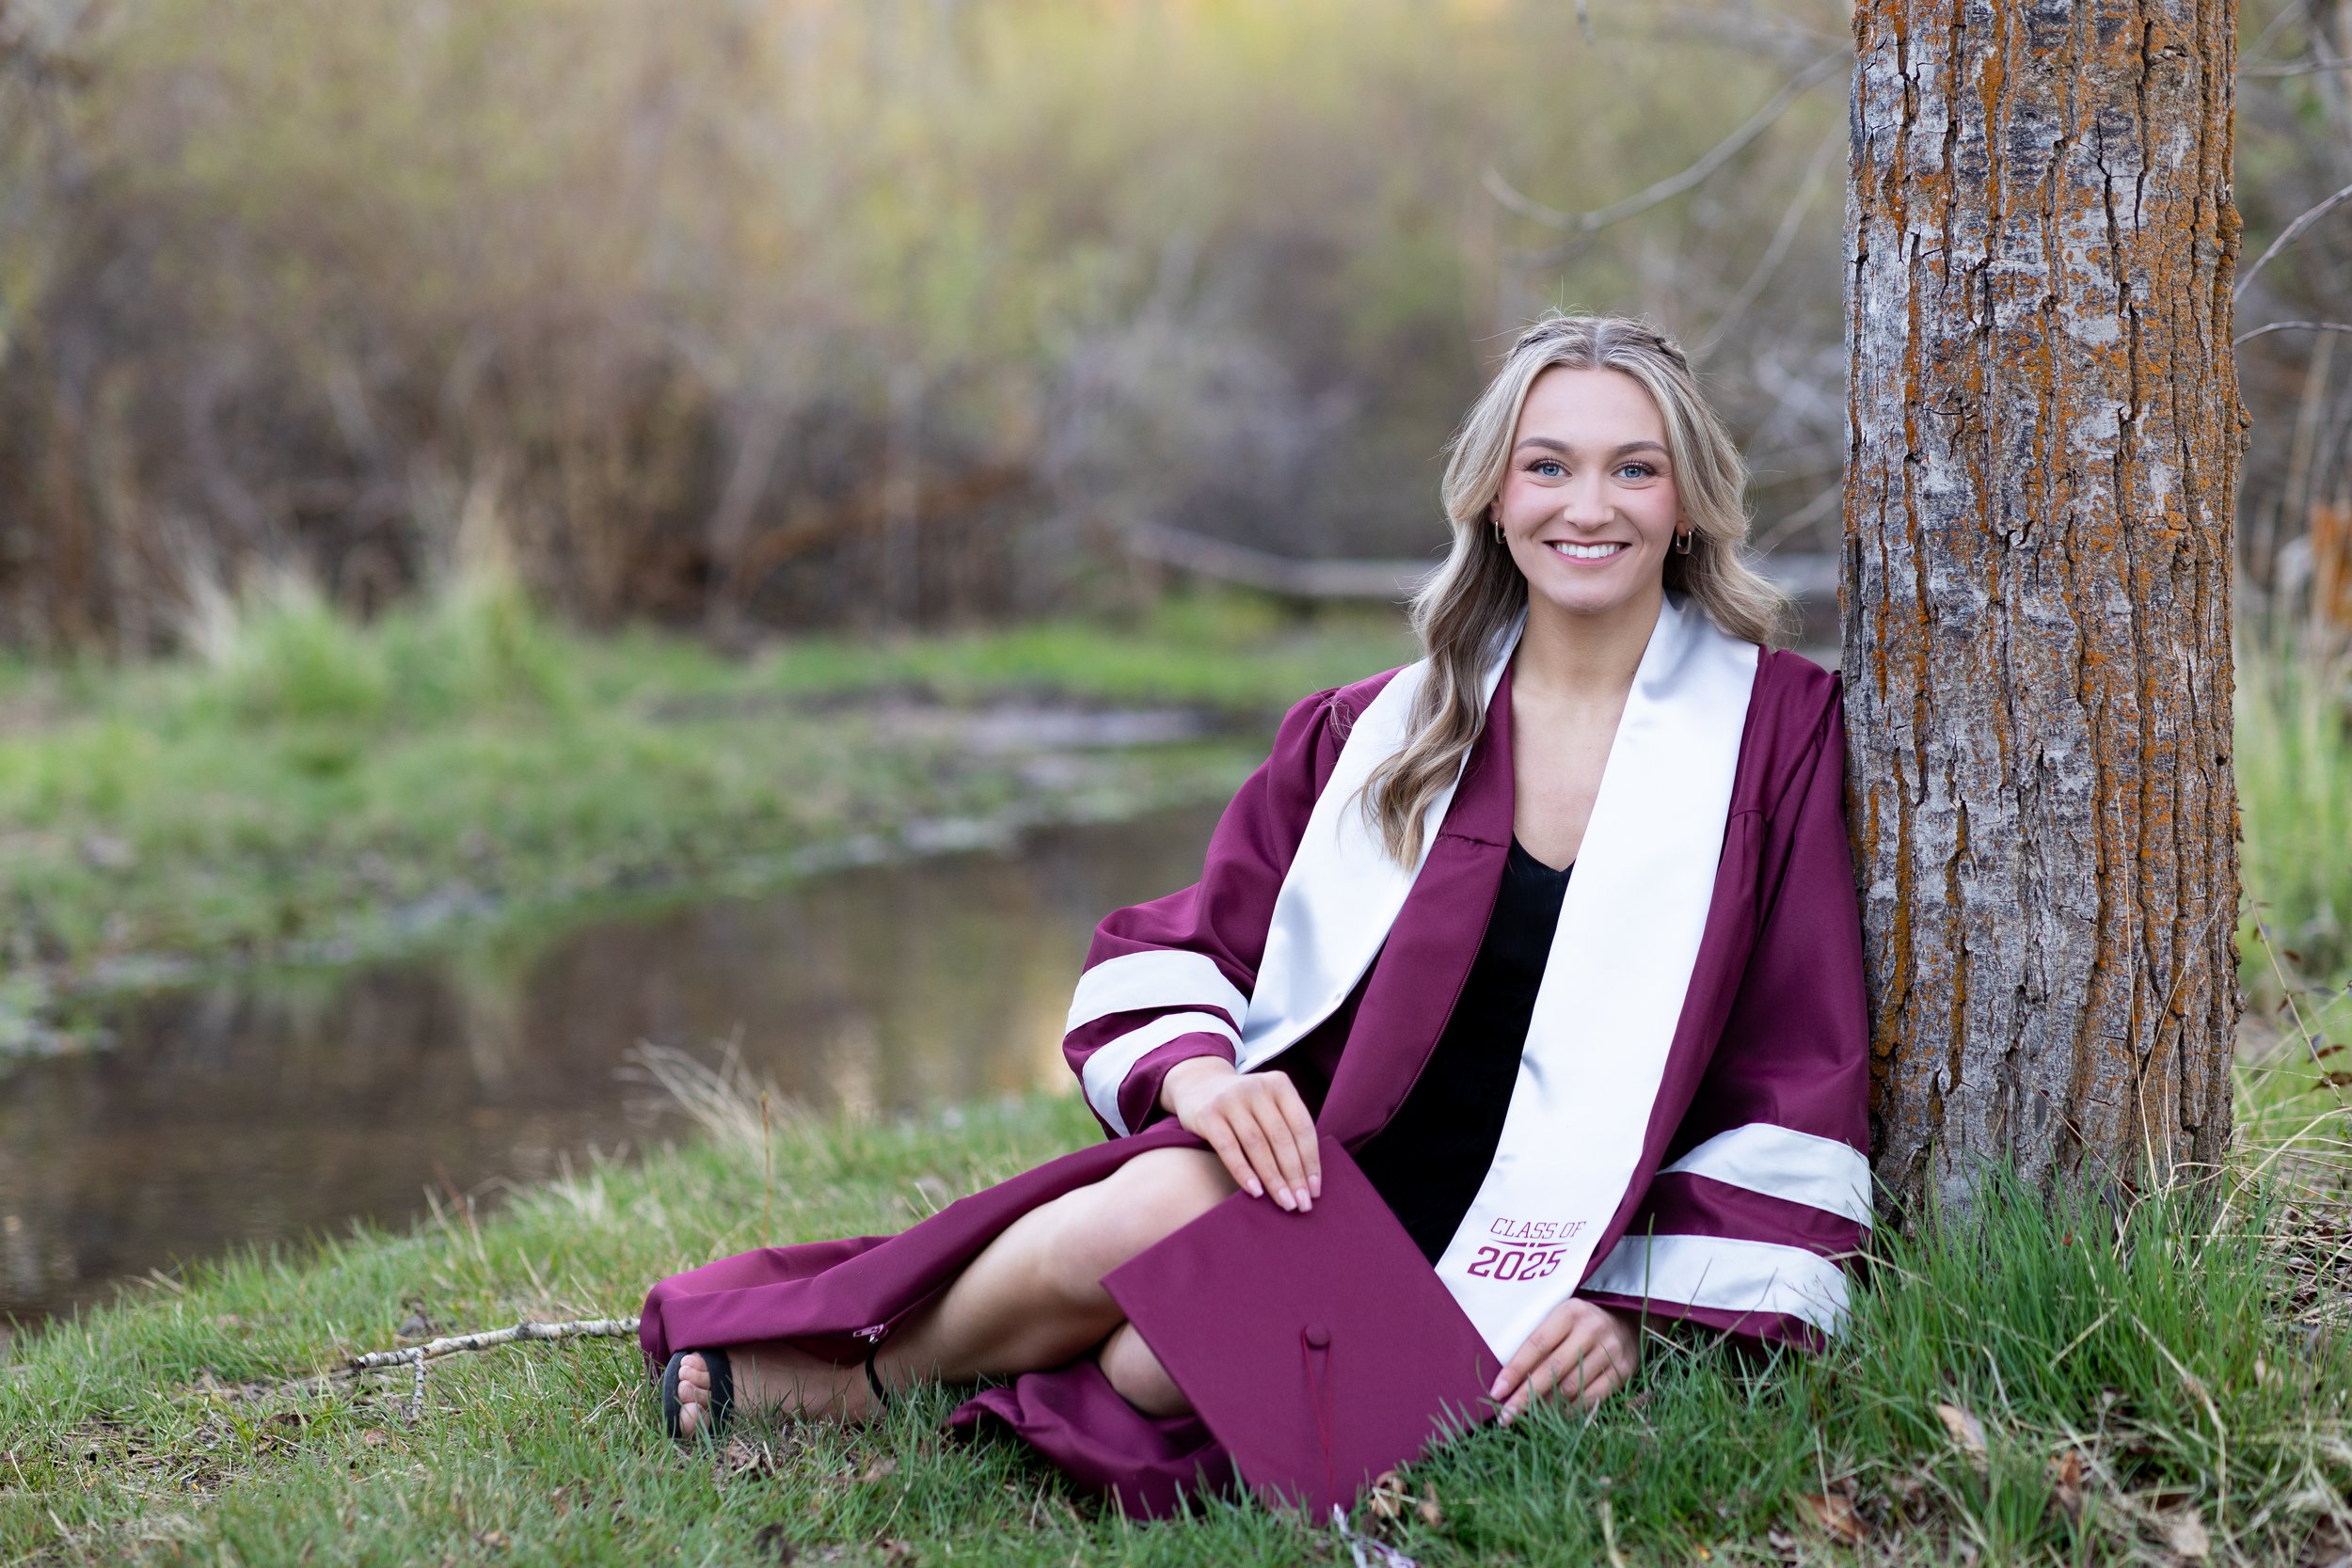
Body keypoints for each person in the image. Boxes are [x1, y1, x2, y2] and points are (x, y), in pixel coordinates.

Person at [639, 312, 1871, 1516]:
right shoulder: (1378, 732)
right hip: (1316, 1196)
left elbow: (1793, 1066)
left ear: (1690, 500)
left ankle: (1035, 1352)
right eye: (1546, 466)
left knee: (1152, 1361)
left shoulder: (1771, 741)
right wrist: (1202, 1086)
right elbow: (1184, 946)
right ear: (1495, 496)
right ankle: (858, 1383)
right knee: (1172, 1205)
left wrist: (1633, 1308)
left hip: (1541, 1271)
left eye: (1633, 470)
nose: (1586, 507)